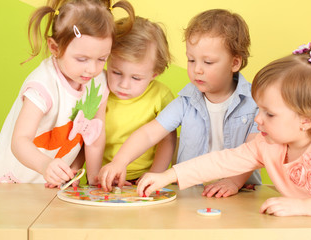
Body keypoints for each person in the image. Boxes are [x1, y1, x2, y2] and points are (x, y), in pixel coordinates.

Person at [137, 42, 311, 239]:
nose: (258, 118)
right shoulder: (268, 144)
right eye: (259, 109)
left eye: (269, 114)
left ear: (306, 120)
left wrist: (307, 206)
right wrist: (169, 175)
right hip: (307, 230)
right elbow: (222, 161)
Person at [99, 9, 261, 195]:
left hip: (241, 191)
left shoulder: (254, 102)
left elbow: (254, 151)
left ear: (234, 63)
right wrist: (120, 161)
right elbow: (149, 134)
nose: (197, 69)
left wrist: (233, 182)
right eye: (191, 60)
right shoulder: (186, 101)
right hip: (193, 191)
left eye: (208, 62)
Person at [0, 0, 134, 187]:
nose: (92, 69)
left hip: (51, 186)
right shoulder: (43, 84)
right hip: (12, 183)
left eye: (102, 58)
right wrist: (45, 165)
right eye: (81, 59)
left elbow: (95, 133)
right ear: (55, 48)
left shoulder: (99, 81)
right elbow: (20, 140)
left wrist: (93, 177)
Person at [103, 16, 177, 183]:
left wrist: (155, 174)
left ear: (154, 74)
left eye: (136, 78)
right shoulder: (99, 90)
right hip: (105, 176)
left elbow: (167, 139)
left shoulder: (161, 95)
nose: (124, 85)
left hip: (142, 177)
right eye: (116, 72)